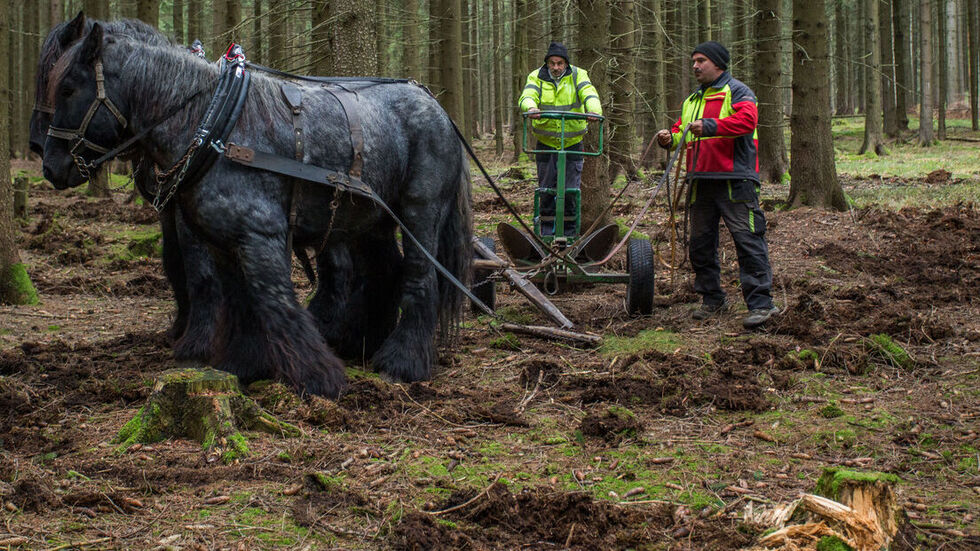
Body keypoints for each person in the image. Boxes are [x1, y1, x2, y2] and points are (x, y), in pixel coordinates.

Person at [655, 41, 778, 329]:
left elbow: (748, 120)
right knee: (699, 244)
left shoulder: (737, 91)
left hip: (735, 179)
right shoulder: (691, 101)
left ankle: (762, 305)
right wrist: (668, 139)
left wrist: (709, 126)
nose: (695, 66)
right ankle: (712, 300)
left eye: (701, 60)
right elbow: (680, 132)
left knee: (748, 241)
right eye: (694, 61)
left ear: (718, 63)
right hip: (700, 181)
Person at [518, 42, 602, 237]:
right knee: (546, 191)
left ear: (566, 64)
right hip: (546, 145)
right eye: (552, 63)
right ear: (547, 63)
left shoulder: (578, 75)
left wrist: (594, 111)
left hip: (572, 144)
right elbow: (527, 96)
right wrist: (530, 108)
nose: (556, 67)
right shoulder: (536, 76)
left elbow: (589, 92)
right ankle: (546, 236)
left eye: (560, 63)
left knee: (571, 192)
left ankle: (569, 236)